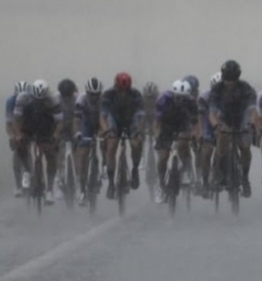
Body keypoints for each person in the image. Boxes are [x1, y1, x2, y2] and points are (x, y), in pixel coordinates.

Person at [209, 60, 257, 198]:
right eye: (227, 79)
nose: (230, 83)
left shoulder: (246, 88)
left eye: (233, 79)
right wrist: (217, 125)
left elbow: (253, 110)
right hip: (223, 117)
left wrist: (251, 125)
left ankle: (245, 177)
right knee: (222, 137)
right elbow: (212, 112)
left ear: (238, 77)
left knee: (245, 146)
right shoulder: (217, 89)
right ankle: (218, 169)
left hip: (241, 117)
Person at [12, 79, 63, 204]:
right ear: (32, 95)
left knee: (51, 153)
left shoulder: (53, 100)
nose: (39, 102)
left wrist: (55, 136)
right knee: (20, 146)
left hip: (46, 126)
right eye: (36, 100)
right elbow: (16, 119)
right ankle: (27, 171)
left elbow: (59, 122)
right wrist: (18, 135)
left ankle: (50, 189)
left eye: (42, 100)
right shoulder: (23, 99)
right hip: (29, 124)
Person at [152, 80, 201, 204]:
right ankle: (161, 183)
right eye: (178, 98)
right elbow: (157, 123)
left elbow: (196, 123)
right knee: (163, 157)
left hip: (183, 125)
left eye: (183, 98)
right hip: (166, 126)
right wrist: (157, 136)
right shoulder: (163, 99)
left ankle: (185, 169)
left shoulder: (191, 103)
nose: (180, 101)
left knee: (183, 145)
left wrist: (195, 136)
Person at [100, 72, 145, 200]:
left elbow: (141, 116)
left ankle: (135, 169)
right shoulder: (108, 94)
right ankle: (110, 182)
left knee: (137, 142)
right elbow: (103, 116)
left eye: (126, 90)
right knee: (112, 144)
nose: (123, 93)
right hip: (115, 120)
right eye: (120, 90)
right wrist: (106, 130)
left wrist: (139, 132)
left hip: (131, 120)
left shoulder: (136, 94)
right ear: (115, 87)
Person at [74, 77, 104, 205]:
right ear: (87, 93)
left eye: (97, 95)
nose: (94, 97)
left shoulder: (104, 100)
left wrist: (105, 133)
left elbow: (106, 118)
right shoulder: (81, 99)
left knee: (106, 142)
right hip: (86, 123)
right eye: (91, 94)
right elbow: (77, 119)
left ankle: (105, 166)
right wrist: (78, 133)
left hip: (100, 122)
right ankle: (82, 189)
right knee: (84, 152)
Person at [55, 78, 79, 199]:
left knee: (78, 151)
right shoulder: (55, 99)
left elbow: (80, 116)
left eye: (69, 95)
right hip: (60, 126)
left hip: (73, 126)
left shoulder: (77, 98)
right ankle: (59, 179)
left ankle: (79, 178)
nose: (67, 98)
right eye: (65, 96)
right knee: (59, 151)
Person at [5, 80, 30, 197]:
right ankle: (18, 185)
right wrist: (13, 136)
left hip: (30, 125)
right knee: (17, 151)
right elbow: (9, 123)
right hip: (17, 126)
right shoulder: (10, 102)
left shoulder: (31, 101)